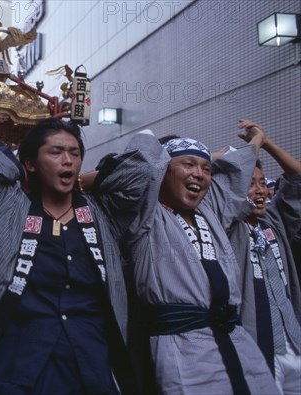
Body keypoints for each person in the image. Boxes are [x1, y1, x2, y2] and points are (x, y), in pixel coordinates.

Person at [0, 118, 149, 394]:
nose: (67, 161)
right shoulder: (10, 204)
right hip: (20, 365)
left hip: (89, 362)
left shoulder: (101, 211)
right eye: (55, 152)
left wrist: (88, 180)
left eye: (74, 153)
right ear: (31, 163)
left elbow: (147, 167)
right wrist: (22, 173)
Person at [119, 126, 279, 394]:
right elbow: (141, 163)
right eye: (188, 165)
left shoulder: (210, 209)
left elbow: (237, 172)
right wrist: (165, 151)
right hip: (181, 343)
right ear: (163, 171)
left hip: (235, 336)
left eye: (206, 169)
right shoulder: (146, 214)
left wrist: (257, 140)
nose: (199, 174)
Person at [227, 120, 301, 394]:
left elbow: (298, 180)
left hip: (294, 341)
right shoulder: (226, 226)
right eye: (250, 184)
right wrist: (251, 148)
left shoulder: (273, 221)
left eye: (262, 183)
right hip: (258, 347)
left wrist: (265, 142)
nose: (261, 191)